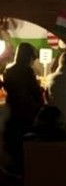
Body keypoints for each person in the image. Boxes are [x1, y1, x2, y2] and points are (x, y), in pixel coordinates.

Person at [2, 42, 44, 172]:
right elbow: (36, 92)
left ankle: (14, 172)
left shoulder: (8, 70)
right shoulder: (27, 71)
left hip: (12, 111)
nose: (33, 61)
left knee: (13, 145)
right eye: (33, 58)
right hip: (26, 112)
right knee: (26, 144)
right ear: (28, 57)